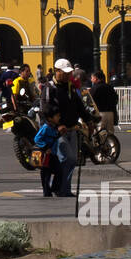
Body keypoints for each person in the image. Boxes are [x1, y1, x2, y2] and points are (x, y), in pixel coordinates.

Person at [41, 58, 91, 196]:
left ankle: (64, 188)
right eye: (65, 73)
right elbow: (45, 109)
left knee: (73, 160)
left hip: (72, 129)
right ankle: (61, 188)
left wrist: (89, 120)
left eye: (69, 73)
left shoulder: (70, 88)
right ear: (57, 71)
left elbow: (79, 106)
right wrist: (56, 126)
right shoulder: (49, 88)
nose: (69, 75)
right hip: (57, 132)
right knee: (67, 158)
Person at [89, 69, 118, 137]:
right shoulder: (109, 87)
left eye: (92, 78)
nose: (91, 80)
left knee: (100, 134)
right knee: (110, 134)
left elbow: (89, 101)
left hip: (100, 114)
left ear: (96, 78)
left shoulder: (94, 88)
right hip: (110, 113)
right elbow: (116, 99)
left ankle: (102, 147)